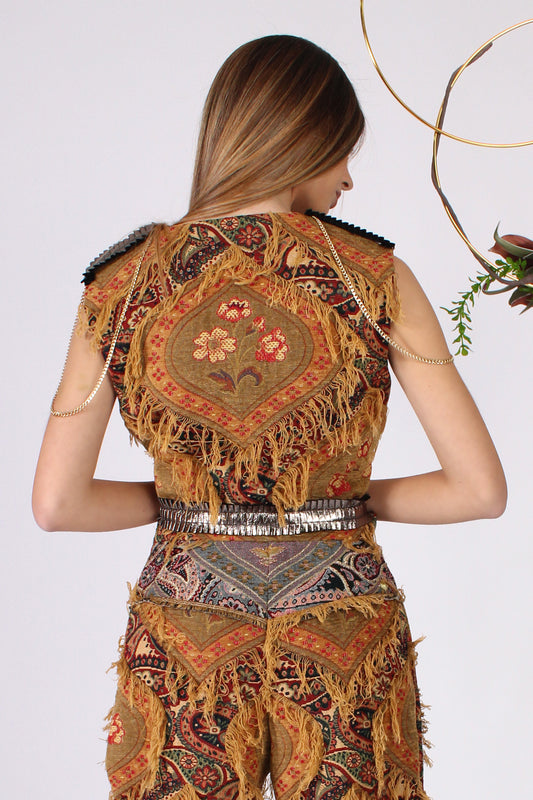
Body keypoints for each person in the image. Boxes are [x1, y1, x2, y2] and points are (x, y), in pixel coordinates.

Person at [33, 34, 506, 800]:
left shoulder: (120, 284)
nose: (348, 178)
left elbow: (58, 505)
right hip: (342, 631)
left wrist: (199, 503)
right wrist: (332, 505)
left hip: (185, 631)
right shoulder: (373, 278)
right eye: (342, 151)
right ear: (301, 138)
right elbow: (477, 491)